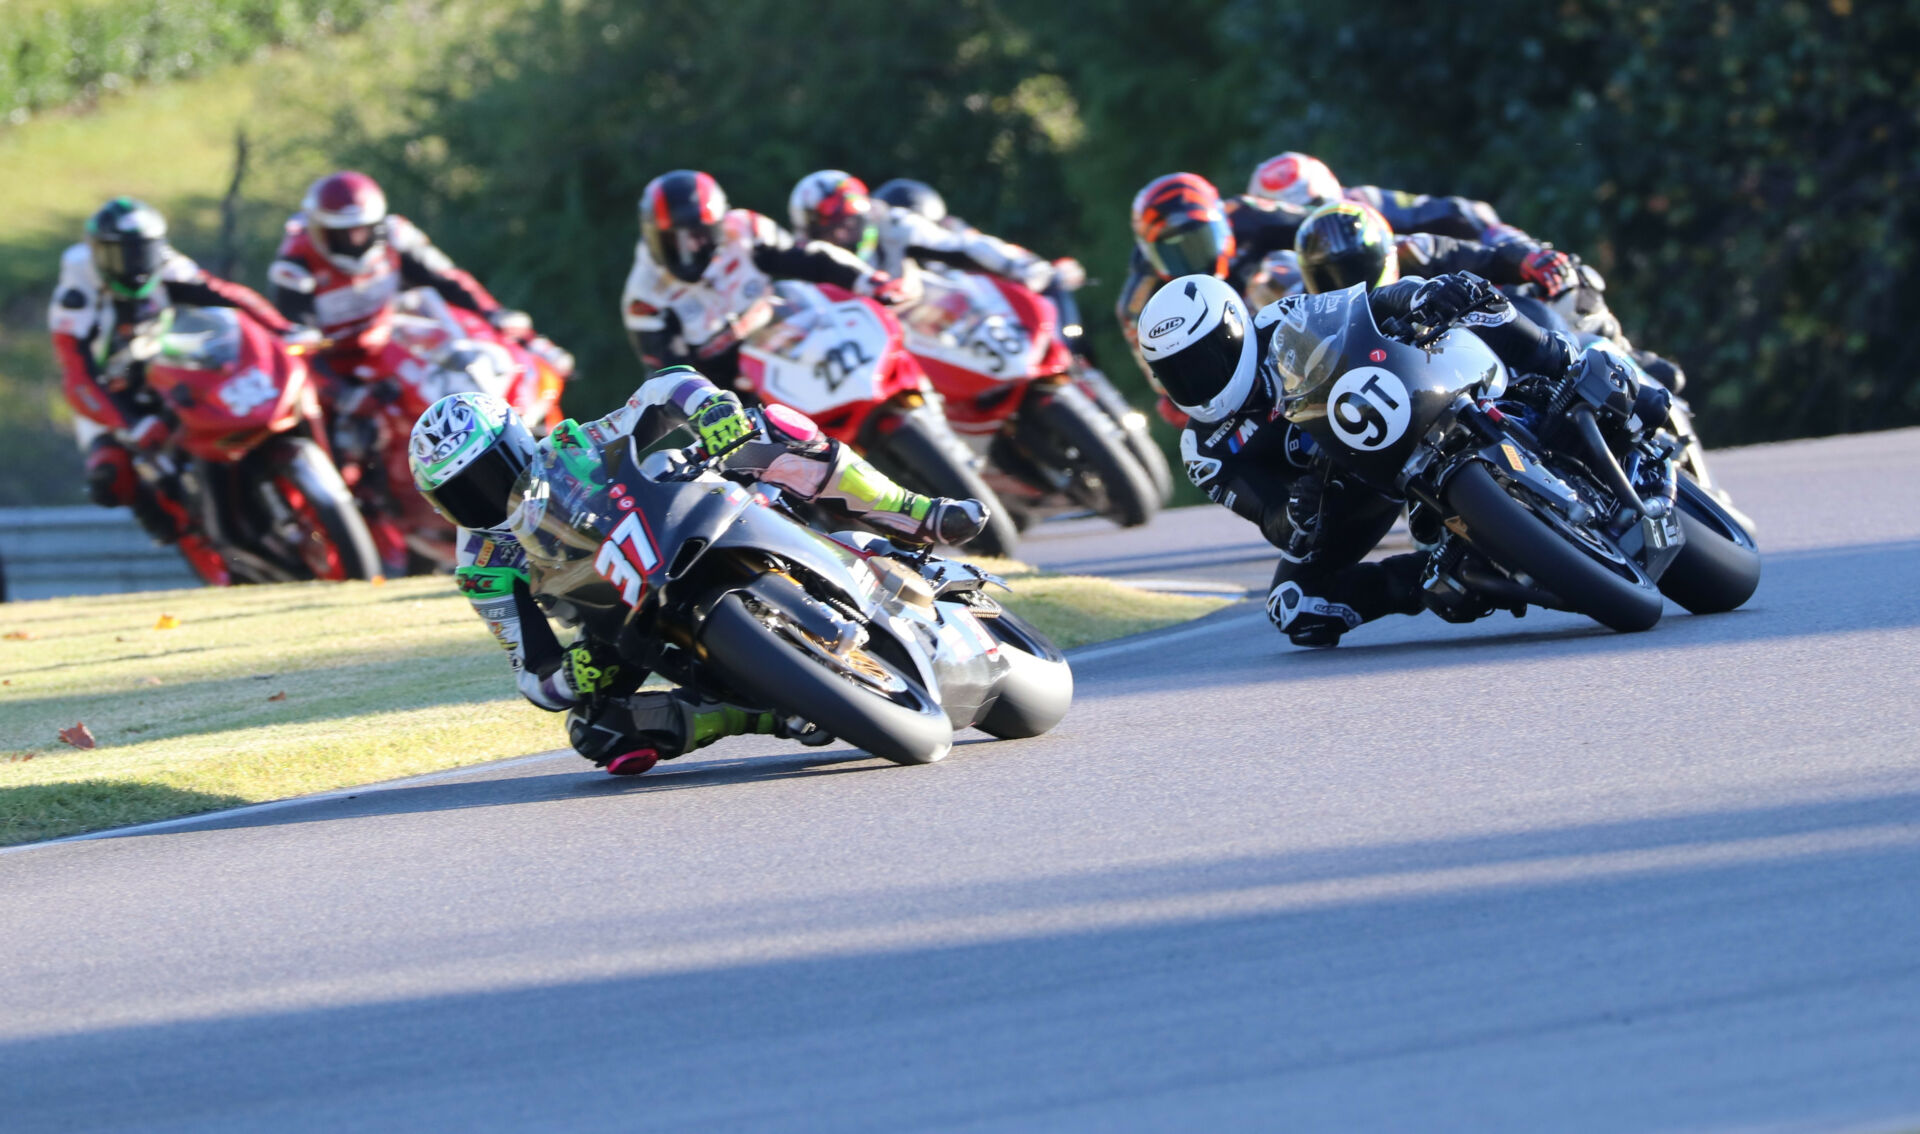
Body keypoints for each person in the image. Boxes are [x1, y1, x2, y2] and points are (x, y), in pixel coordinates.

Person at [409, 365, 989, 774]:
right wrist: (571, 676)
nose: (484, 499)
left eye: (490, 473)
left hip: (687, 520)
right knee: (600, 734)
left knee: (773, 426)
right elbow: (533, 676)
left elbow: (662, 386)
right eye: (461, 494)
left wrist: (708, 406)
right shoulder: (480, 565)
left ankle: (914, 513)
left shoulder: (578, 443)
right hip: (622, 619)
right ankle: (762, 714)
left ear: (517, 438)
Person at [1135, 271, 1588, 647]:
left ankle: (1558, 363)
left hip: (1399, 401)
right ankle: (1443, 569)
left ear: (1235, 326)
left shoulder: (1280, 319)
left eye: (1204, 359)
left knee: (1455, 290)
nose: (1197, 380)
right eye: (1179, 373)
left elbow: (1368, 304)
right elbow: (1270, 519)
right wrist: (1297, 510)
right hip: (1347, 488)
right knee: (1295, 606)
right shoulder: (1204, 450)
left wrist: (1417, 295)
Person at [49, 197, 298, 562]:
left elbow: (226, 295)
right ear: (99, 254)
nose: (134, 264)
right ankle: (181, 532)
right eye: (121, 254)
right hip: (108, 395)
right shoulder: (75, 294)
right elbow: (77, 377)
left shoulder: (166, 263)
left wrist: (284, 329)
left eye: (143, 251)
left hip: (161, 371)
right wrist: (131, 423)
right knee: (109, 477)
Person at [267, 170, 569, 380]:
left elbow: (448, 280)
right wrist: (340, 391)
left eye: (362, 229)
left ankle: (531, 351)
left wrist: (495, 314)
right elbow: (299, 344)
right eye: (342, 233)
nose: (355, 239)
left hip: (397, 349)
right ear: (319, 228)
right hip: (339, 368)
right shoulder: (295, 264)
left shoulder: (395, 237)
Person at [620, 169, 908, 379]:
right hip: (735, 391)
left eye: (700, 234)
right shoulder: (644, 295)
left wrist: (867, 280)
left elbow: (812, 258)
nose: (691, 248)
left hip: (790, 341)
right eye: (675, 240)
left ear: (720, 224)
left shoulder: (743, 230)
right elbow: (670, 376)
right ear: (654, 237)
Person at [1112, 172, 1311, 425]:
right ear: (1149, 253)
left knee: (1276, 270)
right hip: (1227, 368)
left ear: (1222, 219)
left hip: (1293, 323)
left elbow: (1325, 222)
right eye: (1174, 251)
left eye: (1200, 239)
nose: (1191, 258)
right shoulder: (1137, 303)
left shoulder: (1248, 212)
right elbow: (1162, 384)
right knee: (1171, 405)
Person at [790, 170, 1079, 293]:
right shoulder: (817, 277)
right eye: (832, 229)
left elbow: (965, 247)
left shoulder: (896, 225)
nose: (844, 235)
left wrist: (1027, 268)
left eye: (849, 222)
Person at [1246, 151, 1515, 244]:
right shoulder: (1264, 270)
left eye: (1313, 208)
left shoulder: (1365, 202)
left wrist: (1498, 237)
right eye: (1291, 216)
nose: (1312, 223)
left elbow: (1460, 211)